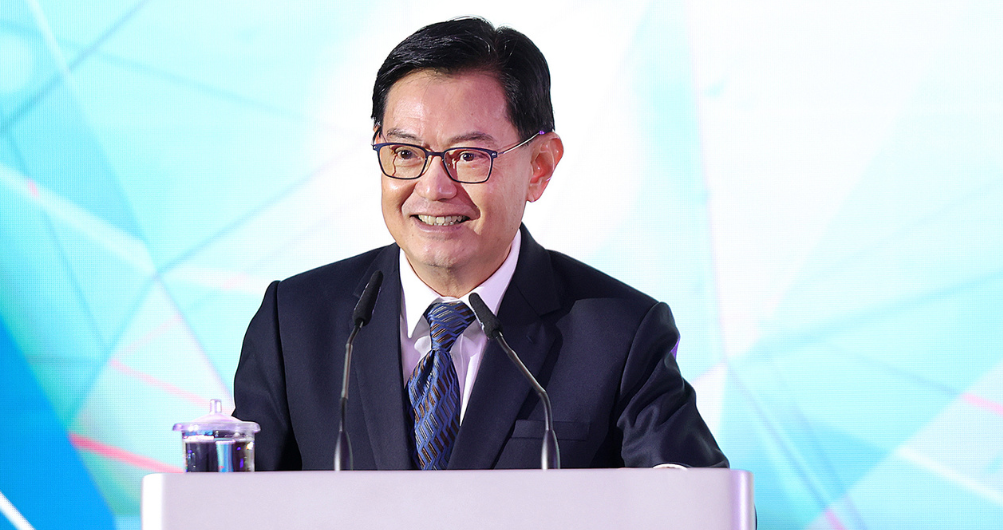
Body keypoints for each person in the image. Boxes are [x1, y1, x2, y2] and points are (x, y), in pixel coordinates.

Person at [232, 16, 727, 471]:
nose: (433, 188)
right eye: (405, 152)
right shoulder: (294, 323)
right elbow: (229, 509)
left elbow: (709, 511)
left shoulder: (620, 335)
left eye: (468, 156)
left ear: (539, 166)